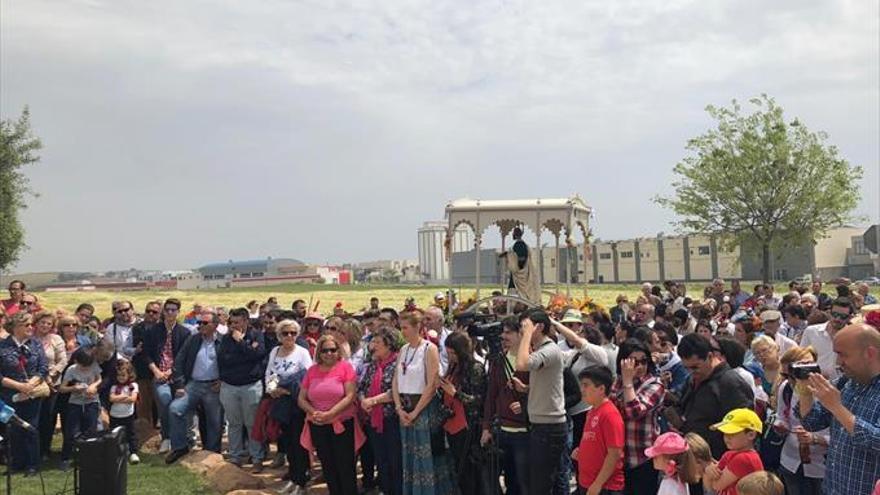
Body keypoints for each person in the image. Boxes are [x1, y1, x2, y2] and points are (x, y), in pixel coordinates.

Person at [796, 322, 880, 495]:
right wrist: (805, 389)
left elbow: (876, 442)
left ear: (869, 353)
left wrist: (837, 407)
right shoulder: (846, 382)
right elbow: (812, 422)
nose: (838, 362)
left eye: (843, 355)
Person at [392, 311, 457, 494]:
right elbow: (396, 381)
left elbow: (432, 383)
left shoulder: (429, 349)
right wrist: (399, 408)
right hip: (405, 409)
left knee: (428, 456)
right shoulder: (403, 350)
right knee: (410, 457)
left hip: (424, 409)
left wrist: (416, 412)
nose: (402, 331)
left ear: (417, 327)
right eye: (401, 327)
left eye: (405, 327)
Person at [674, 334, 754, 458]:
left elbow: (744, 428)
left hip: (718, 461)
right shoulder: (693, 379)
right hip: (692, 454)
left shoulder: (730, 383)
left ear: (710, 357)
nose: (691, 372)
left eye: (695, 367)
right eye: (686, 368)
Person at [515, 307, 568, 495]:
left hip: (550, 427)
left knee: (541, 484)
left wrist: (527, 335)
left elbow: (521, 364)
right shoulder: (542, 350)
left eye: (526, 326)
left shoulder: (550, 350)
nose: (522, 331)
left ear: (539, 327)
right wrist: (528, 389)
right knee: (536, 481)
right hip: (540, 425)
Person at [298, 334, 359, 495]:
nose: (329, 353)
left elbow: (350, 396)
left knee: (345, 464)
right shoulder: (312, 371)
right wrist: (315, 413)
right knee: (327, 463)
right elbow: (302, 398)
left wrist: (331, 414)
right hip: (318, 423)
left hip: (342, 423)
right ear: (319, 352)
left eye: (333, 350)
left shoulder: (346, 367)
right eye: (325, 350)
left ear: (338, 351)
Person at [165, 308, 223, 463]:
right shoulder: (193, 339)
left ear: (215, 325)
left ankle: (212, 453)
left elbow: (231, 364)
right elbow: (179, 361)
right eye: (199, 322)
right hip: (194, 385)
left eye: (205, 323)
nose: (200, 326)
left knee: (214, 420)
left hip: (214, 386)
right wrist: (179, 385)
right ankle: (180, 447)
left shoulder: (223, 341)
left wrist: (223, 380)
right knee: (175, 409)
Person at [481, 316, 530, 495]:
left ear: (521, 334)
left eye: (509, 332)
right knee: (508, 479)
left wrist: (525, 402)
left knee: (523, 482)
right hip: (502, 429)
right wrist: (486, 427)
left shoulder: (532, 358)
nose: (504, 336)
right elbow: (491, 395)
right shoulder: (498, 359)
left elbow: (541, 391)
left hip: (525, 431)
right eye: (503, 332)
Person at [611, 339, 665, 495]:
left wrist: (628, 382)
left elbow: (634, 412)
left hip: (643, 458)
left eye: (643, 361)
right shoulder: (617, 382)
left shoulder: (654, 385)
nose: (640, 366)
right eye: (634, 362)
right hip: (619, 458)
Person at [773, 346, 827, 495]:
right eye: (784, 375)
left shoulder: (827, 391)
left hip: (820, 466)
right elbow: (781, 416)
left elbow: (843, 434)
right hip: (791, 460)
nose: (788, 380)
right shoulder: (786, 388)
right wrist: (780, 426)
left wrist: (815, 438)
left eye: (792, 375)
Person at [267, 319, 313, 495]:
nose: (289, 336)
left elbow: (308, 376)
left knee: (298, 442)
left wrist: (289, 391)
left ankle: (301, 480)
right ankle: (293, 477)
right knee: (287, 441)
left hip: (297, 402)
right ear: (279, 335)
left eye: (293, 333)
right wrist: (272, 390)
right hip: (280, 401)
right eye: (285, 333)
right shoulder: (275, 351)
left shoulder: (302, 352)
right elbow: (269, 372)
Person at [218, 307, 267, 471]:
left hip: (251, 385)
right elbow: (224, 359)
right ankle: (235, 456)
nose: (233, 326)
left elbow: (258, 355)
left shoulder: (257, 335)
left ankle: (257, 457)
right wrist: (246, 352)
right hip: (230, 386)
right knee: (234, 423)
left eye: (237, 322)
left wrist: (241, 343)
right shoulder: (226, 339)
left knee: (252, 423)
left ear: (246, 321)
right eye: (231, 322)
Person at [0, 312, 48, 475]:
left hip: (32, 393)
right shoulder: (2, 346)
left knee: (31, 428)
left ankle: (32, 464)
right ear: (15, 327)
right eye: (26, 325)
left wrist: (30, 384)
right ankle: (16, 463)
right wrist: (19, 386)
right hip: (10, 394)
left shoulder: (36, 344)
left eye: (31, 324)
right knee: (13, 429)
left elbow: (43, 368)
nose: (31, 327)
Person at [440, 332, 487, 495]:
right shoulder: (454, 367)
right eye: (448, 352)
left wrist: (455, 393)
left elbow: (478, 400)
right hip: (452, 424)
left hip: (468, 427)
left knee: (470, 470)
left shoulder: (475, 368)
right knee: (458, 469)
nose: (450, 356)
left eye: (453, 353)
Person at [143, 298, 192, 454]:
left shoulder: (185, 332)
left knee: (177, 408)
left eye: (173, 310)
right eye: (167, 309)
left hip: (177, 377)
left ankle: (181, 439)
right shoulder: (153, 331)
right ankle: (166, 437)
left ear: (178, 312)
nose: (170, 312)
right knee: (165, 403)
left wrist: (171, 371)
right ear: (163, 312)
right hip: (158, 375)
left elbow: (184, 357)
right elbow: (146, 354)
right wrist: (156, 371)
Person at [359, 326, 402, 495]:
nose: (373, 346)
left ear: (389, 345)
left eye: (377, 342)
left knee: (395, 462)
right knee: (381, 461)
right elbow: (361, 387)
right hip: (373, 422)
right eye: (372, 342)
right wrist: (363, 400)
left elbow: (398, 391)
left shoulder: (398, 364)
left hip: (392, 421)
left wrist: (374, 400)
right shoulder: (372, 365)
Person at [573, 365, 625, 495]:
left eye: (586, 385)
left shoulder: (609, 414)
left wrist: (597, 484)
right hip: (587, 483)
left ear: (601, 389)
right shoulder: (591, 412)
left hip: (605, 487)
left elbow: (614, 454)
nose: (582, 390)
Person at [58, 347, 101, 471]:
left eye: (88, 367)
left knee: (90, 431)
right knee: (70, 432)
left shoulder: (94, 365)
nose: (86, 369)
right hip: (75, 404)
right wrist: (74, 388)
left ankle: (88, 459)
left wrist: (93, 386)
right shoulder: (71, 370)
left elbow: (99, 379)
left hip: (91, 402)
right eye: (83, 367)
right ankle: (65, 458)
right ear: (76, 362)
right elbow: (62, 388)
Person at [704, 408, 764, 495]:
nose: (727, 438)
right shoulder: (730, 454)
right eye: (725, 433)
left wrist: (707, 472)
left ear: (751, 435)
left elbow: (715, 486)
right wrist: (709, 471)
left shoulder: (745, 458)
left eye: (732, 433)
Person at [33, 311, 67, 459]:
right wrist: (42, 377)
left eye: (49, 323)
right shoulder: (30, 339)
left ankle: (45, 449)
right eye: (42, 322)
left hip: (53, 383)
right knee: (35, 417)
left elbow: (63, 360)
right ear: (36, 323)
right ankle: (34, 449)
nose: (45, 325)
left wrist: (52, 375)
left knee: (48, 417)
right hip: (34, 383)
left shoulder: (56, 339)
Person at [799, 297, 853, 381]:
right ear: (829, 313)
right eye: (834, 314)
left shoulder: (853, 336)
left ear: (850, 317)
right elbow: (801, 358)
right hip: (814, 383)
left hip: (842, 386)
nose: (837, 319)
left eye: (843, 317)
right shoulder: (811, 331)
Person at [129, 300, 161, 436]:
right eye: (148, 311)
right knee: (143, 403)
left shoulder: (163, 328)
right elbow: (140, 348)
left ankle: (158, 432)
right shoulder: (137, 328)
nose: (150, 314)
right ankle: (145, 432)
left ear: (159, 314)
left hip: (159, 370)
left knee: (158, 402)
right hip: (141, 369)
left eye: (154, 312)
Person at [109, 359, 140, 464]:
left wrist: (120, 398)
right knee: (115, 434)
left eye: (123, 375)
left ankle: (133, 453)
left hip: (128, 415)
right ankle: (116, 453)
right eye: (119, 375)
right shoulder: (114, 387)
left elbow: (133, 399)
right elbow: (112, 398)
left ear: (129, 375)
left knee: (131, 434)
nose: (121, 378)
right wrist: (124, 396)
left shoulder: (133, 386)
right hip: (115, 415)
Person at [500, 227, 540, 304]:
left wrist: (508, 255)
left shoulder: (519, 245)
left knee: (515, 293)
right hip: (523, 273)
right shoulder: (524, 245)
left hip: (519, 274)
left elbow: (521, 258)